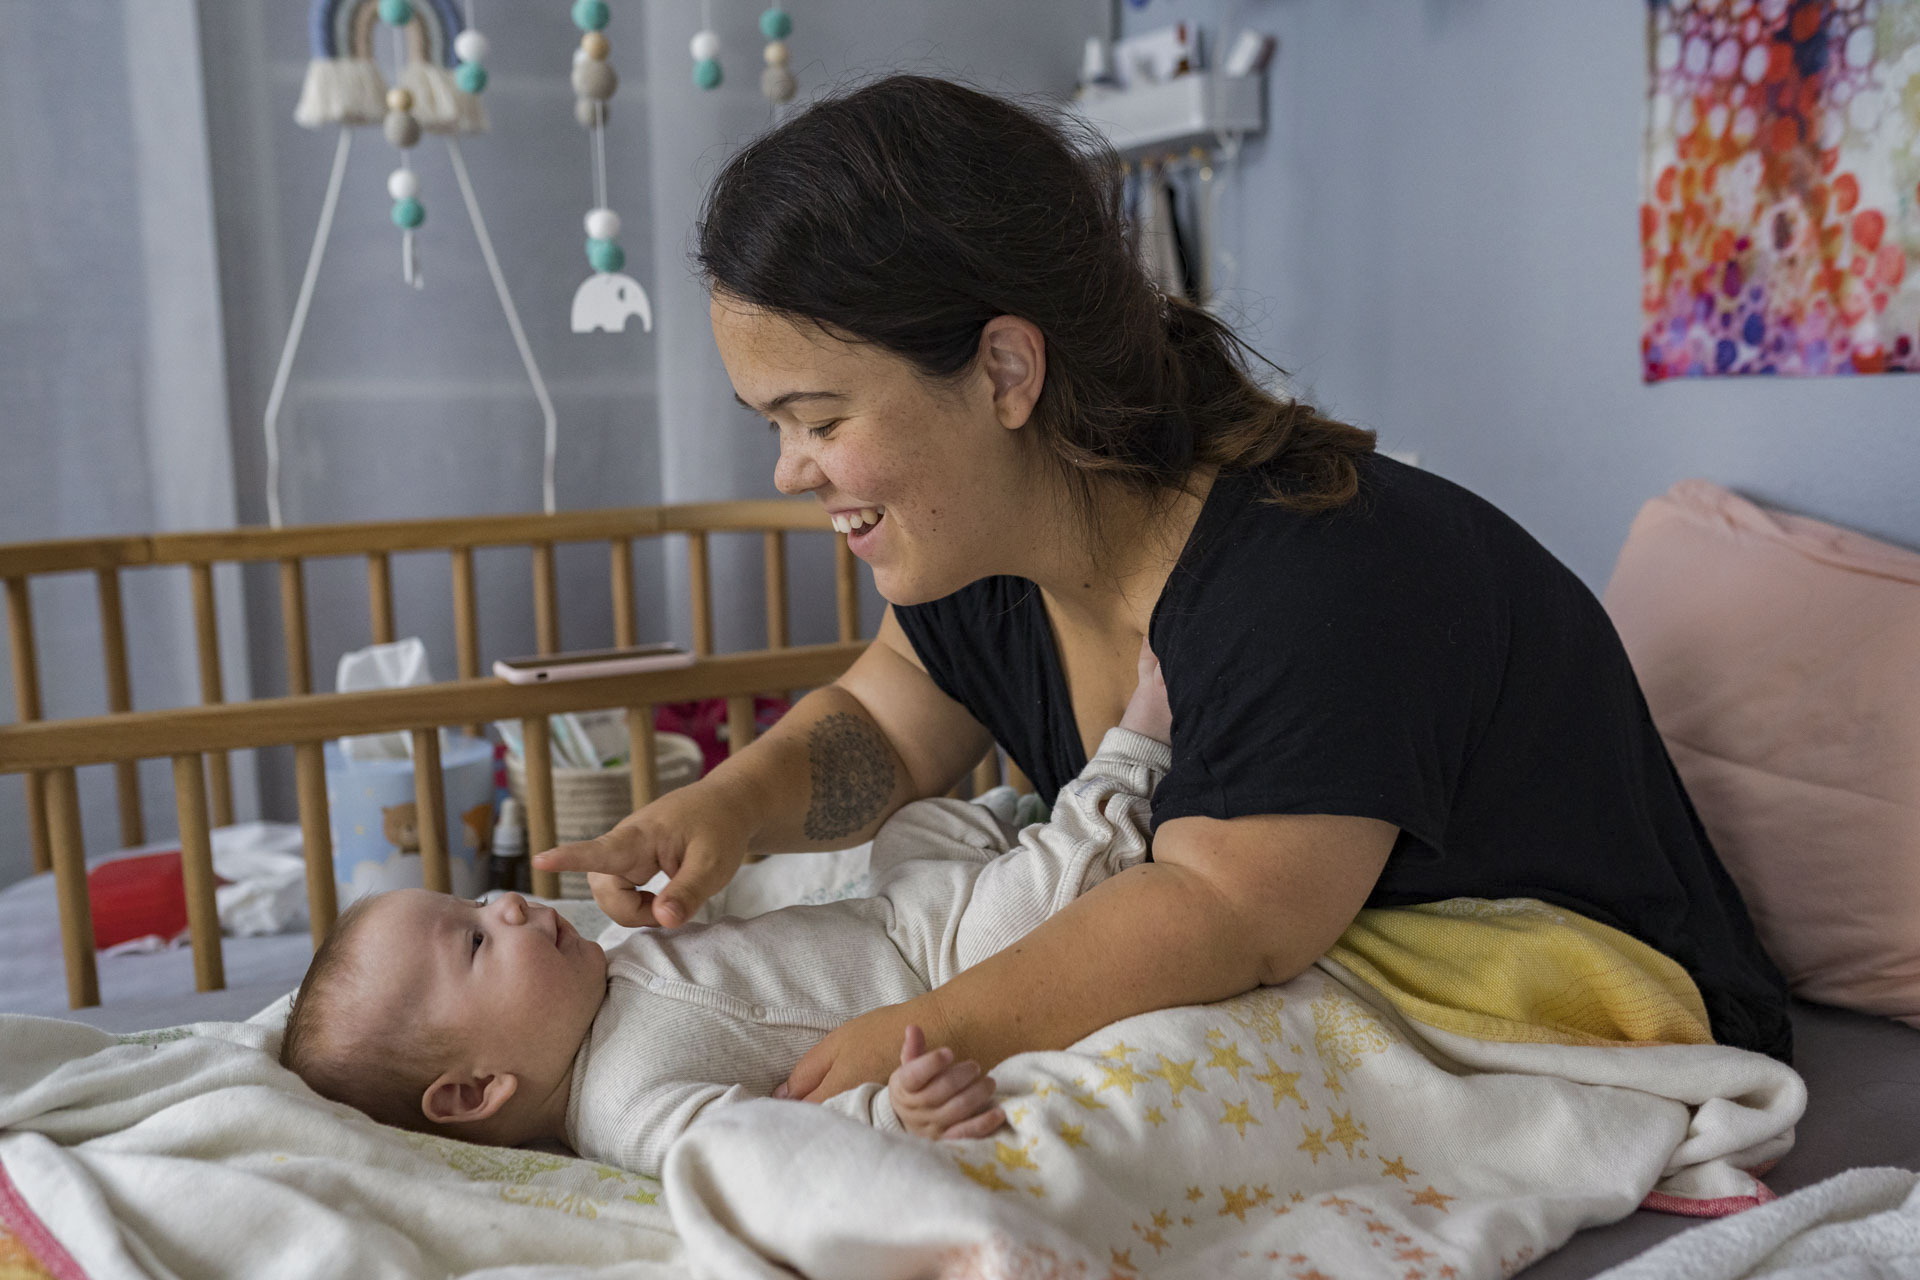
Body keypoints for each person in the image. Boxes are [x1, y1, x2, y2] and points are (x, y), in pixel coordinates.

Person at [536, 75, 1792, 1111]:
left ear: (1006, 370)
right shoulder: (986, 544)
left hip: (1575, 988)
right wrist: (731, 808)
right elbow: (886, 715)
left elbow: (1223, 913)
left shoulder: (1319, 574)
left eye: (818, 419)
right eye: (775, 424)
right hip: (1292, 930)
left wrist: (926, 1028)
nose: (791, 471)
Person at [277, 646, 1175, 1175]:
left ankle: (1002, 826)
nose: (506, 901)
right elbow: (773, 1150)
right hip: (946, 966)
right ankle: (1134, 758)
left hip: (889, 911)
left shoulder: (587, 978)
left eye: (479, 896)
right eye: (474, 939)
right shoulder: (628, 1108)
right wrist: (899, 1116)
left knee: (914, 822)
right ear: (477, 1091)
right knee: (1038, 899)